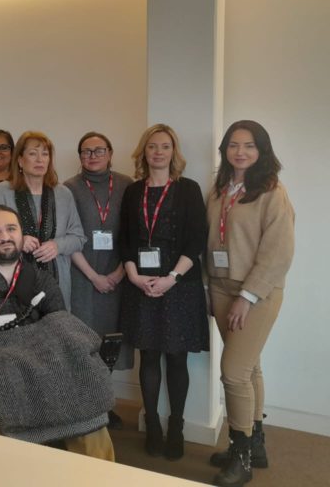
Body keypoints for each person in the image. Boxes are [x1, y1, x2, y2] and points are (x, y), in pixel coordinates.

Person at [0, 205, 115, 460]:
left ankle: (98, 472)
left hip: (43, 359)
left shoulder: (39, 278)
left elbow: (59, 322)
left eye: (11, 229)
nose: (4, 236)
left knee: (84, 392)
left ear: (21, 235)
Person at [205, 121, 294, 487]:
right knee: (250, 367)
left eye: (249, 145)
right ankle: (255, 443)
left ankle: (239, 454)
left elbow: (278, 253)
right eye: (233, 145)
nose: (240, 152)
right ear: (225, 150)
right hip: (221, 287)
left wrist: (246, 297)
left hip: (256, 293)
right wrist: (208, 288)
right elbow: (209, 241)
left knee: (233, 372)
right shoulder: (220, 189)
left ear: (262, 151)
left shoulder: (272, 192)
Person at [118, 123, 208, 461]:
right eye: (152, 146)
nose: (158, 152)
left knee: (177, 357)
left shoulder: (188, 189)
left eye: (165, 146)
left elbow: (196, 239)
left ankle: (177, 427)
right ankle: (153, 424)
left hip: (179, 286)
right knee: (149, 356)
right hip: (141, 284)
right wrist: (133, 275)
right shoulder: (133, 191)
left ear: (174, 152)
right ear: (144, 152)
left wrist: (171, 277)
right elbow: (125, 239)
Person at [64, 131, 133, 430]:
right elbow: (67, 235)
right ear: (80, 156)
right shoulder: (69, 188)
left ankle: (104, 404)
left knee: (111, 342)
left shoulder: (127, 185)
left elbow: (133, 234)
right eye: (86, 151)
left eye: (99, 150)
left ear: (110, 153)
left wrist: (118, 274)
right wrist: (93, 277)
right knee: (84, 342)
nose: (92, 156)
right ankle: (86, 408)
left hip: (118, 276)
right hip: (83, 276)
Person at [0, 131, 86, 310]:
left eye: (45, 154)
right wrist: (16, 241)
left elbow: (78, 237)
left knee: (58, 326)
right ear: (20, 160)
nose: (40, 159)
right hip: (11, 283)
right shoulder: (3, 191)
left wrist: (58, 245)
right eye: (33, 153)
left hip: (57, 284)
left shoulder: (63, 193)